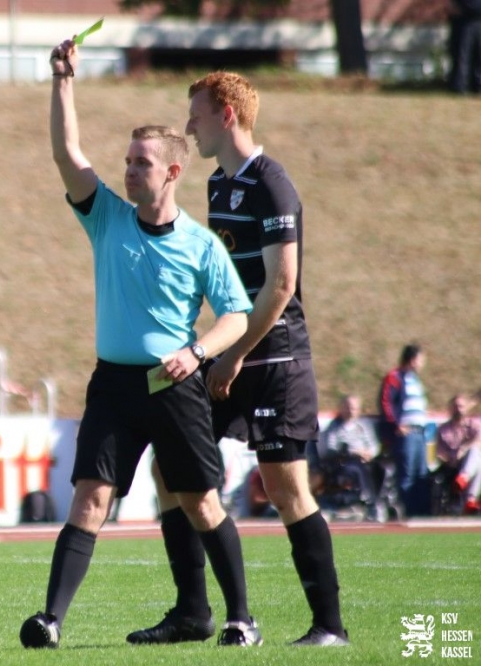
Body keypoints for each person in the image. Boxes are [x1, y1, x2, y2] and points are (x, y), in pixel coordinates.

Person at [19, 38, 256, 650]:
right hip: (114, 386)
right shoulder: (106, 216)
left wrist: (197, 353)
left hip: (175, 386)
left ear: (172, 172)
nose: (128, 171)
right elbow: (66, 154)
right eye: (127, 161)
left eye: (141, 163)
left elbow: (236, 316)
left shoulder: (201, 244)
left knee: (201, 504)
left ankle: (240, 620)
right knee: (90, 499)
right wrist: (63, 80)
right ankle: (50, 621)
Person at [133, 71, 349, 648]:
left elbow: (281, 285)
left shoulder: (272, 184)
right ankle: (192, 613)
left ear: (226, 115)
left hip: (274, 358)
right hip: (230, 351)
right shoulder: (217, 184)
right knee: (169, 467)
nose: (189, 127)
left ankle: (330, 628)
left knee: (285, 488)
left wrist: (233, 355)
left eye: (197, 115)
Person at [378, 343, 430, 517]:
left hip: (420, 433)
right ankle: (409, 513)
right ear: (413, 359)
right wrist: (395, 425)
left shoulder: (415, 379)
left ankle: (422, 513)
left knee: (421, 474)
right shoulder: (395, 377)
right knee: (407, 475)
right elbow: (386, 402)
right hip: (406, 434)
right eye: (421, 359)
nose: (423, 363)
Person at [316, 394, 383, 520]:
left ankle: (372, 502)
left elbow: (374, 445)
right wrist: (354, 452)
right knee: (354, 466)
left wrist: (369, 453)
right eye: (348, 407)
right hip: (343, 460)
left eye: (354, 408)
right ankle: (370, 501)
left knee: (377, 468)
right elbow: (330, 447)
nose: (351, 411)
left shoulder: (364, 426)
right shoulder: (334, 427)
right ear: (341, 408)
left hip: (365, 460)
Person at [435, 393, 481, 514]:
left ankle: (463, 478)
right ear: (451, 409)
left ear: (466, 408)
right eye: (455, 406)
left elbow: (479, 440)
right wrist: (451, 459)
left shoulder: (473, 425)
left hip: (469, 463)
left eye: (461, 406)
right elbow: (439, 453)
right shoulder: (443, 429)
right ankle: (470, 499)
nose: (458, 409)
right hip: (452, 465)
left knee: (475, 453)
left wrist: (464, 449)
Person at [449, 0, 481, 93]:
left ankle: (477, 85)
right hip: (464, 21)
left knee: (478, 55)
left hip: (477, 20)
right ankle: (460, 86)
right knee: (463, 56)